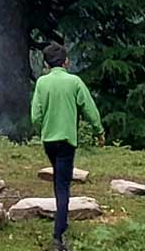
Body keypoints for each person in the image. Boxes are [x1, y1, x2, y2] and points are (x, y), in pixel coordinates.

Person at [30, 42, 103, 251]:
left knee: (59, 181)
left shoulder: (42, 83)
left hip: (49, 141)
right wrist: (99, 131)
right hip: (67, 142)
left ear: (46, 64)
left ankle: (62, 222)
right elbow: (90, 109)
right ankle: (59, 236)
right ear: (66, 62)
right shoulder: (74, 81)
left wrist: (42, 129)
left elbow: (36, 115)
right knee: (63, 185)